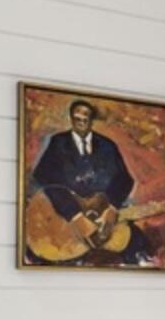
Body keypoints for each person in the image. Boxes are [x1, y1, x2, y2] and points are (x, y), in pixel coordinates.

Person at [27, 97, 156, 264]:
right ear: (71, 119)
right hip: (61, 220)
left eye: (85, 118)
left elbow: (124, 180)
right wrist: (75, 215)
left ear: (92, 120)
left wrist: (111, 208)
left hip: (102, 213)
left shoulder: (107, 145)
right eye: (77, 118)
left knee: (138, 244)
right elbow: (43, 176)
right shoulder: (58, 143)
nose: (81, 122)